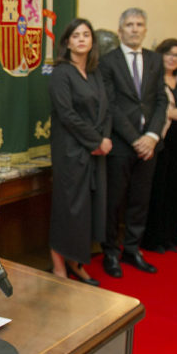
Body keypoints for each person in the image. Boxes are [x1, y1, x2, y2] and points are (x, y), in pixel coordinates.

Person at [98, 8, 168, 277]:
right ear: (120, 30)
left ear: (145, 30)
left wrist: (151, 136)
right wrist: (136, 139)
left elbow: (161, 100)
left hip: (150, 145)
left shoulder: (155, 60)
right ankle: (111, 254)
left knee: (141, 199)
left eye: (140, 24)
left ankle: (131, 249)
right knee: (115, 202)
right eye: (130, 24)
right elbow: (110, 105)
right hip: (121, 144)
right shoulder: (108, 61)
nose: (135, 29)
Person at [48, 19, 112, 287]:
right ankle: (59, 266)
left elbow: (107, 109)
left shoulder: (95, 72)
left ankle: (78, 263)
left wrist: (105, 138)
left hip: (95, 150)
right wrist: (95, 140)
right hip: (71, 152)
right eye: (76, 35)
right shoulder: (61, 73)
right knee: (68, 209)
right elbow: (67, 114)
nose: (82, 39)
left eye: (86, 35)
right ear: (67, 42)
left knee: (87, 210)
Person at [141, 39, 177, 252]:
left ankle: (170, 237)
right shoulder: (152, 79)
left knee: (174, 188)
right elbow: (151, 108)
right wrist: (175, 114)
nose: (173, 59)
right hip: (160, 138)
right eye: (169, 54)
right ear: (160, 55)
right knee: (158, 189)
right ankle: (154, 239)